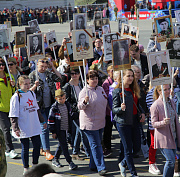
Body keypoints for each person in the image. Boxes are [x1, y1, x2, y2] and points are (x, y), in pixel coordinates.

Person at [9, 75, 47, 175]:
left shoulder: (31, 93)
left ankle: (35, 166)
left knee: (37, 145)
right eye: (25, 84)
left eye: (29, 83)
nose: (27, 85)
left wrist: (42, 121)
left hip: (33, 124)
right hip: (23, 125)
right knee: (25, 147)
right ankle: (26, 168)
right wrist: (15, 128)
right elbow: (13, 114)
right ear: (20, 84)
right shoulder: (16, 97)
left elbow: (36, 108)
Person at [112, 69, 145, 177]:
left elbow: (138, 105)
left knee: (137, 147)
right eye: (128, 76)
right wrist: (121, 108)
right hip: (123, 123)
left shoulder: (134, 89)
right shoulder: (117, 91)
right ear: (122, 77)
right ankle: (133, 173)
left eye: (132, 76)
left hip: (135, 121)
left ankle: (123, 163)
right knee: (128, 149)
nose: (131, 78)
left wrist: (142, 113)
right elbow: (114, 110)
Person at [29, 58, 62, 161]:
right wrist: (34, 86)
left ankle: (43, 148)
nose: (43, 68)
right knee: (44, 127)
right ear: (37, 64)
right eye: (41, 66)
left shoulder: (48, 73)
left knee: (48, 126)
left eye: (45, 66)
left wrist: (53, 67)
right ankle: (47, 151)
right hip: (39, 106)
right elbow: (27, 92)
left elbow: (60, 78)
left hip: (50, 105)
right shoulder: (32, 76)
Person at [78, 70, 108, 176]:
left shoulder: (100, 89)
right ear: (87, 80)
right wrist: (85, 101)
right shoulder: (84, 92)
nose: (95, 80)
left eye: (96, 78)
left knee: (95, 145)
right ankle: (101, 167)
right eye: (92, 78)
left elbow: (105, 101)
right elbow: (80, 106)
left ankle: (93, 165)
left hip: (100, 121)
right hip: (90, 123)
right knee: (97, 145)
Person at [150, 84, 180, 177]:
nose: (168, 91)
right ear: (159, 91)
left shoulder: (171, 101)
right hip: (164, 137)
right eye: (165, 89)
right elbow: (153, 123)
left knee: (172, 161)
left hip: (173, 135)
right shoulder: (155, 105)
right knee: (170, 161)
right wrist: (163, 122)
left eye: (168, 89)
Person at [63, 67, 90, 160]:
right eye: (72, 73)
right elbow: (67, 102)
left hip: (84, 111)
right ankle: (88, 152)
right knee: (82, 131)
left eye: (76, 73)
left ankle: (75, 152)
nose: (74, 75)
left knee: (79, 132)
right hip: (75, 113)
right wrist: (77, 107)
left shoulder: (82, 83)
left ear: (79, 74)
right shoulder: (67, 86)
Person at [48, 89, 78, 170]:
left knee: (61, 145)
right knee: (64, 146)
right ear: (56, 99)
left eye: (64, 98)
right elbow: (50, 121)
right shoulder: (54, 108)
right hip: (59, 130)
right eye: (60, 99)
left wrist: (78, 113)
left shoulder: (67, 105)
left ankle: (55, 159)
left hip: (66, 129)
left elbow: (70, 115)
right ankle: (70, 162)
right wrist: (53, 132)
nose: (62, 100)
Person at [0, 58, 18, 159]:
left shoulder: (9, 77)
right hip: (1, 108)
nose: (1, 66)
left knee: (11, 128)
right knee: (6, 129)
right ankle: (9, 149)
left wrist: (13, 86)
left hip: (11, 107)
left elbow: (14, 92)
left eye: (2, 64)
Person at [102, 65, 114, 157]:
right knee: (108, 130)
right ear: (108, 72)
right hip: (108, 111)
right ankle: (107, 148)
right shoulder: (106, 83)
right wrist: (111, 109)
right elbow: (106, 98)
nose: (114, 72)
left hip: (115, 109)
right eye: (112, 71)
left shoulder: (116, 81)